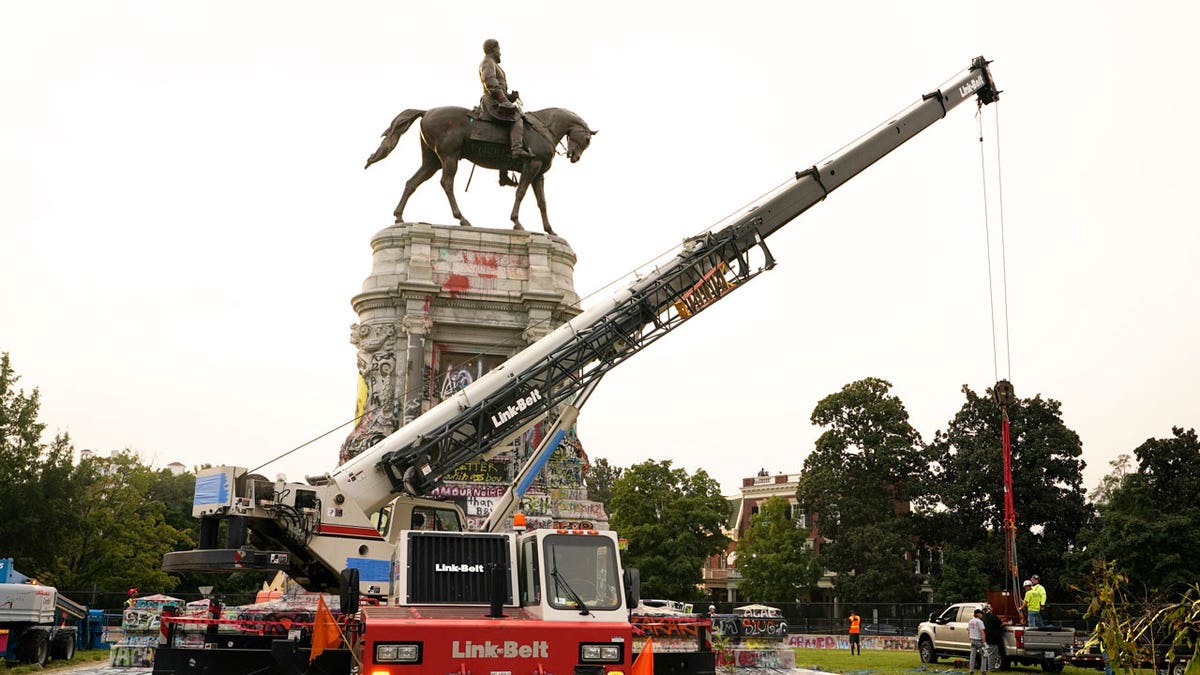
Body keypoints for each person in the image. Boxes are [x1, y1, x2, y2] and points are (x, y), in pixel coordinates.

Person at [478, 38, 532, 159]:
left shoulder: (493, 64)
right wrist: (503, 100)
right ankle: (517, 149)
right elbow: (490, 82)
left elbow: (498, 88)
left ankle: (504, 173)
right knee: (516, 116)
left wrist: (510, 97)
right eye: (499, 49)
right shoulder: (488, 62)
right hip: (492, 103)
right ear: (493, 49)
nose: (500, 52)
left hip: (497, 99)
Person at [982, 604, 1004, 673]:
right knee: (992, 654)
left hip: (987, 637)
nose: (992, 608)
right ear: (989, 609)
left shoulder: (984, 617)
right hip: (993, 638)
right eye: (991, 607)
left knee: (989, 654)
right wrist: (1005, 622)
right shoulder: (992, 617)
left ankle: (987, 667)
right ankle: (991, 668)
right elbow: (1000, 623)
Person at [968, 607, 987, 674]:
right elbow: (982, 632)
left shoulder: (970, 621)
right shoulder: (980, 622)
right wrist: (984, 642)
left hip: (973, 640)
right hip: (979, 641)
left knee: (972, 656)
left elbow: (969, 631)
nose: (982, 615)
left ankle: (971, 670)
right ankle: (983, 670)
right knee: (984, 655)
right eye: (981, 614)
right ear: (978, 614)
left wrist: (970, 639)